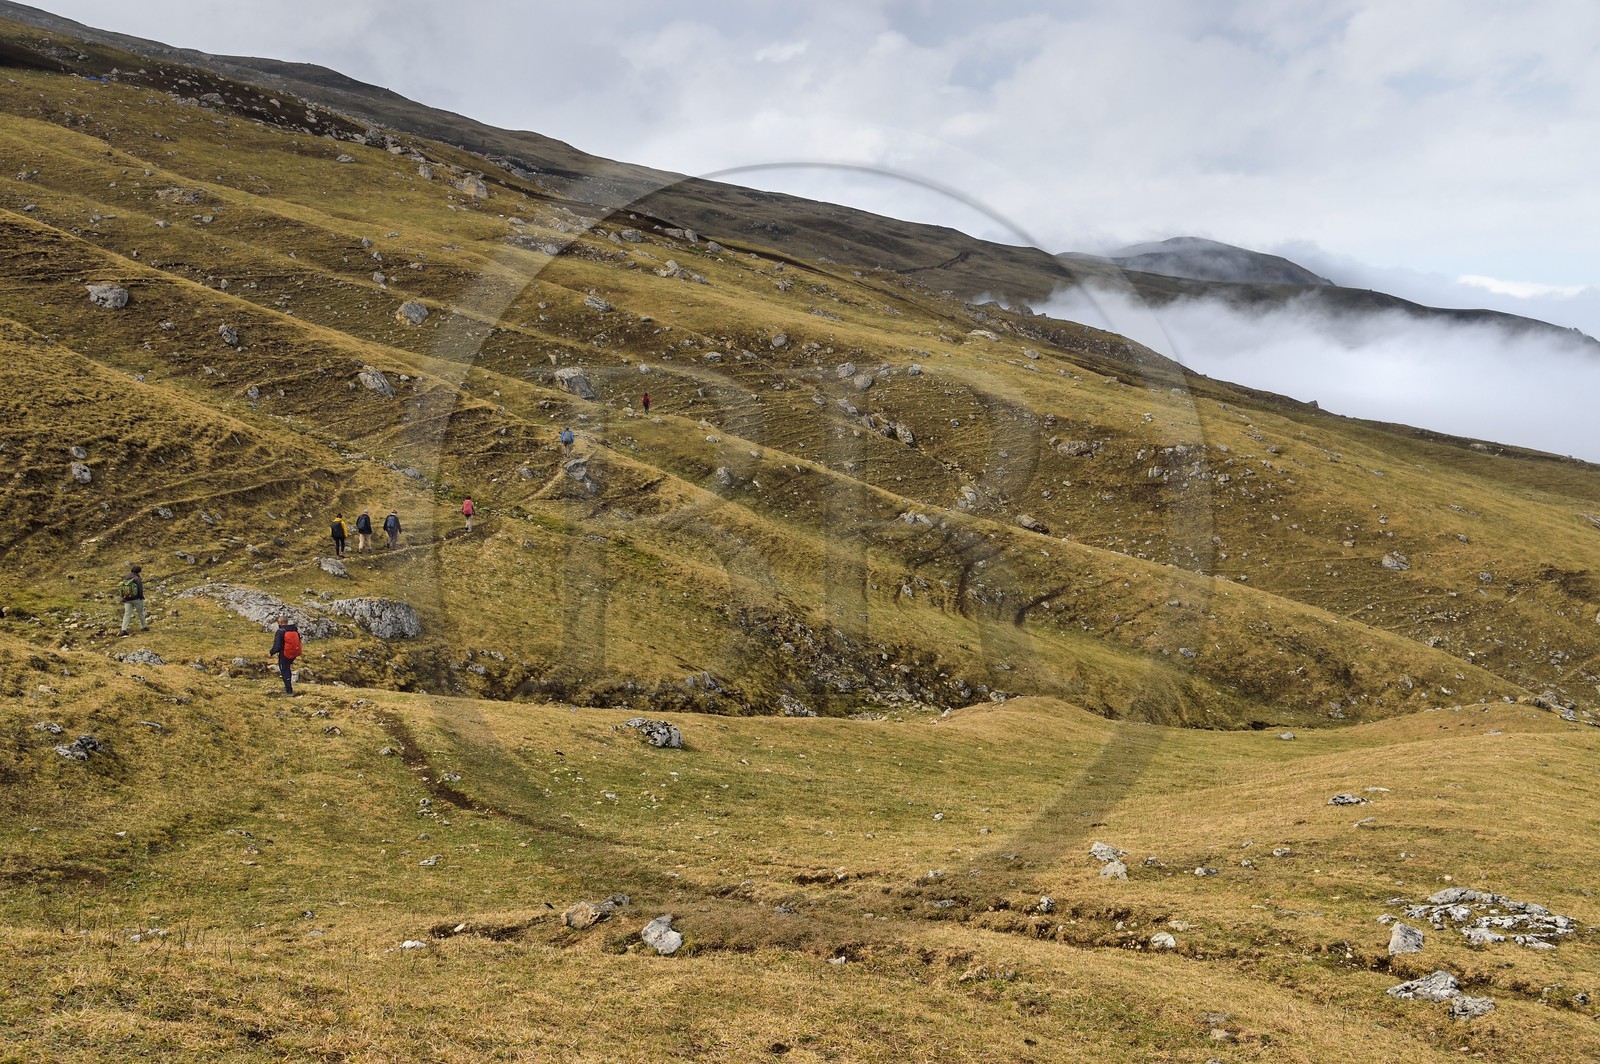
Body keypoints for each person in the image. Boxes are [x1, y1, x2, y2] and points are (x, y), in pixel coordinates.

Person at [268, 615, 301, 696]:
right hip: (293, 654)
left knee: (284, 670)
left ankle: (289, 691)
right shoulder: (294, 630)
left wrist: (271, 653)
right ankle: (287, 687)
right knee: (287, 669)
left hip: (284, 654)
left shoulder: (280, 631)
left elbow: (277, 645)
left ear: (281, 622)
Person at [118, 563, 147, 636]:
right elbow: (140, 589)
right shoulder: (137, 578)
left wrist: (123, 597)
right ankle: (144, 626)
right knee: (140, 613)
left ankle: (123, 629)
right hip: (137, 599)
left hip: (127, 599)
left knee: (127, 614)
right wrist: (141, 597)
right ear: (138, 571)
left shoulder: (126, 577)